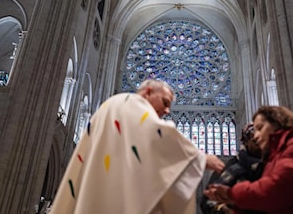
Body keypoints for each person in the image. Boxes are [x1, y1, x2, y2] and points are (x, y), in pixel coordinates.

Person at [49, 79, 225, 214]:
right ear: (148, 92)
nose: (167, 111)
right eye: (165, 102)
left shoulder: (113, 105)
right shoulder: (129, 103)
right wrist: (200, 157)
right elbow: (157, 133)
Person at [204, 105, 293, 213]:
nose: (256, 136)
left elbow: (277, 190)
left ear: (277, 123)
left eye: (260, 128)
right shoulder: (277, 155)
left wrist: (232, 194)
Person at [200, 123, 265, 214]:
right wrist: (222, 209)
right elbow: (207, 201)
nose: (262, 146)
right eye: (255, 141)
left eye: (265, 141)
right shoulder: (231, 167)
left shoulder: (273, 165)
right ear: (246, 141)